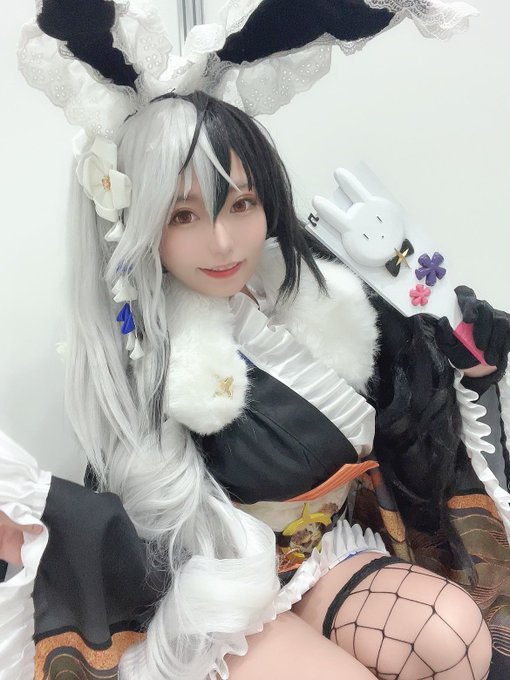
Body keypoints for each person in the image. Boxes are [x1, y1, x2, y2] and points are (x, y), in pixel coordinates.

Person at [3, 1, 510, 679]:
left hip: (320, 552)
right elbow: (142, 537)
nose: (223, 242)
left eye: (241, 204)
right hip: (215, 586)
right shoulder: (144, 347)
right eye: (183, 215)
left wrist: (469, 366)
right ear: (140, 222)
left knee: (454, 638)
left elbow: (410, 422)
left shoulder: (317, 292)